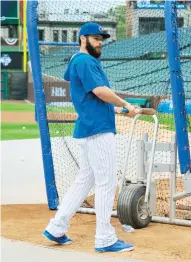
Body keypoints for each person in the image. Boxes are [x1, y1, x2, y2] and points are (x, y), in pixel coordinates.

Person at [43, 22, 137, 253]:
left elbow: (92, 100)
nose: (100, 42)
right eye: (95, 38)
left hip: (89, 127)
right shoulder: (85, 61)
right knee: (106, 183)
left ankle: (57, 227)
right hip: (97, 131)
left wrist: (116, 109)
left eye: (101, 39)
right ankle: (105, 238)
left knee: (85, 179)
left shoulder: (81, 62)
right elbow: (100, 92)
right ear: (83, 39)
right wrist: (124, 103)